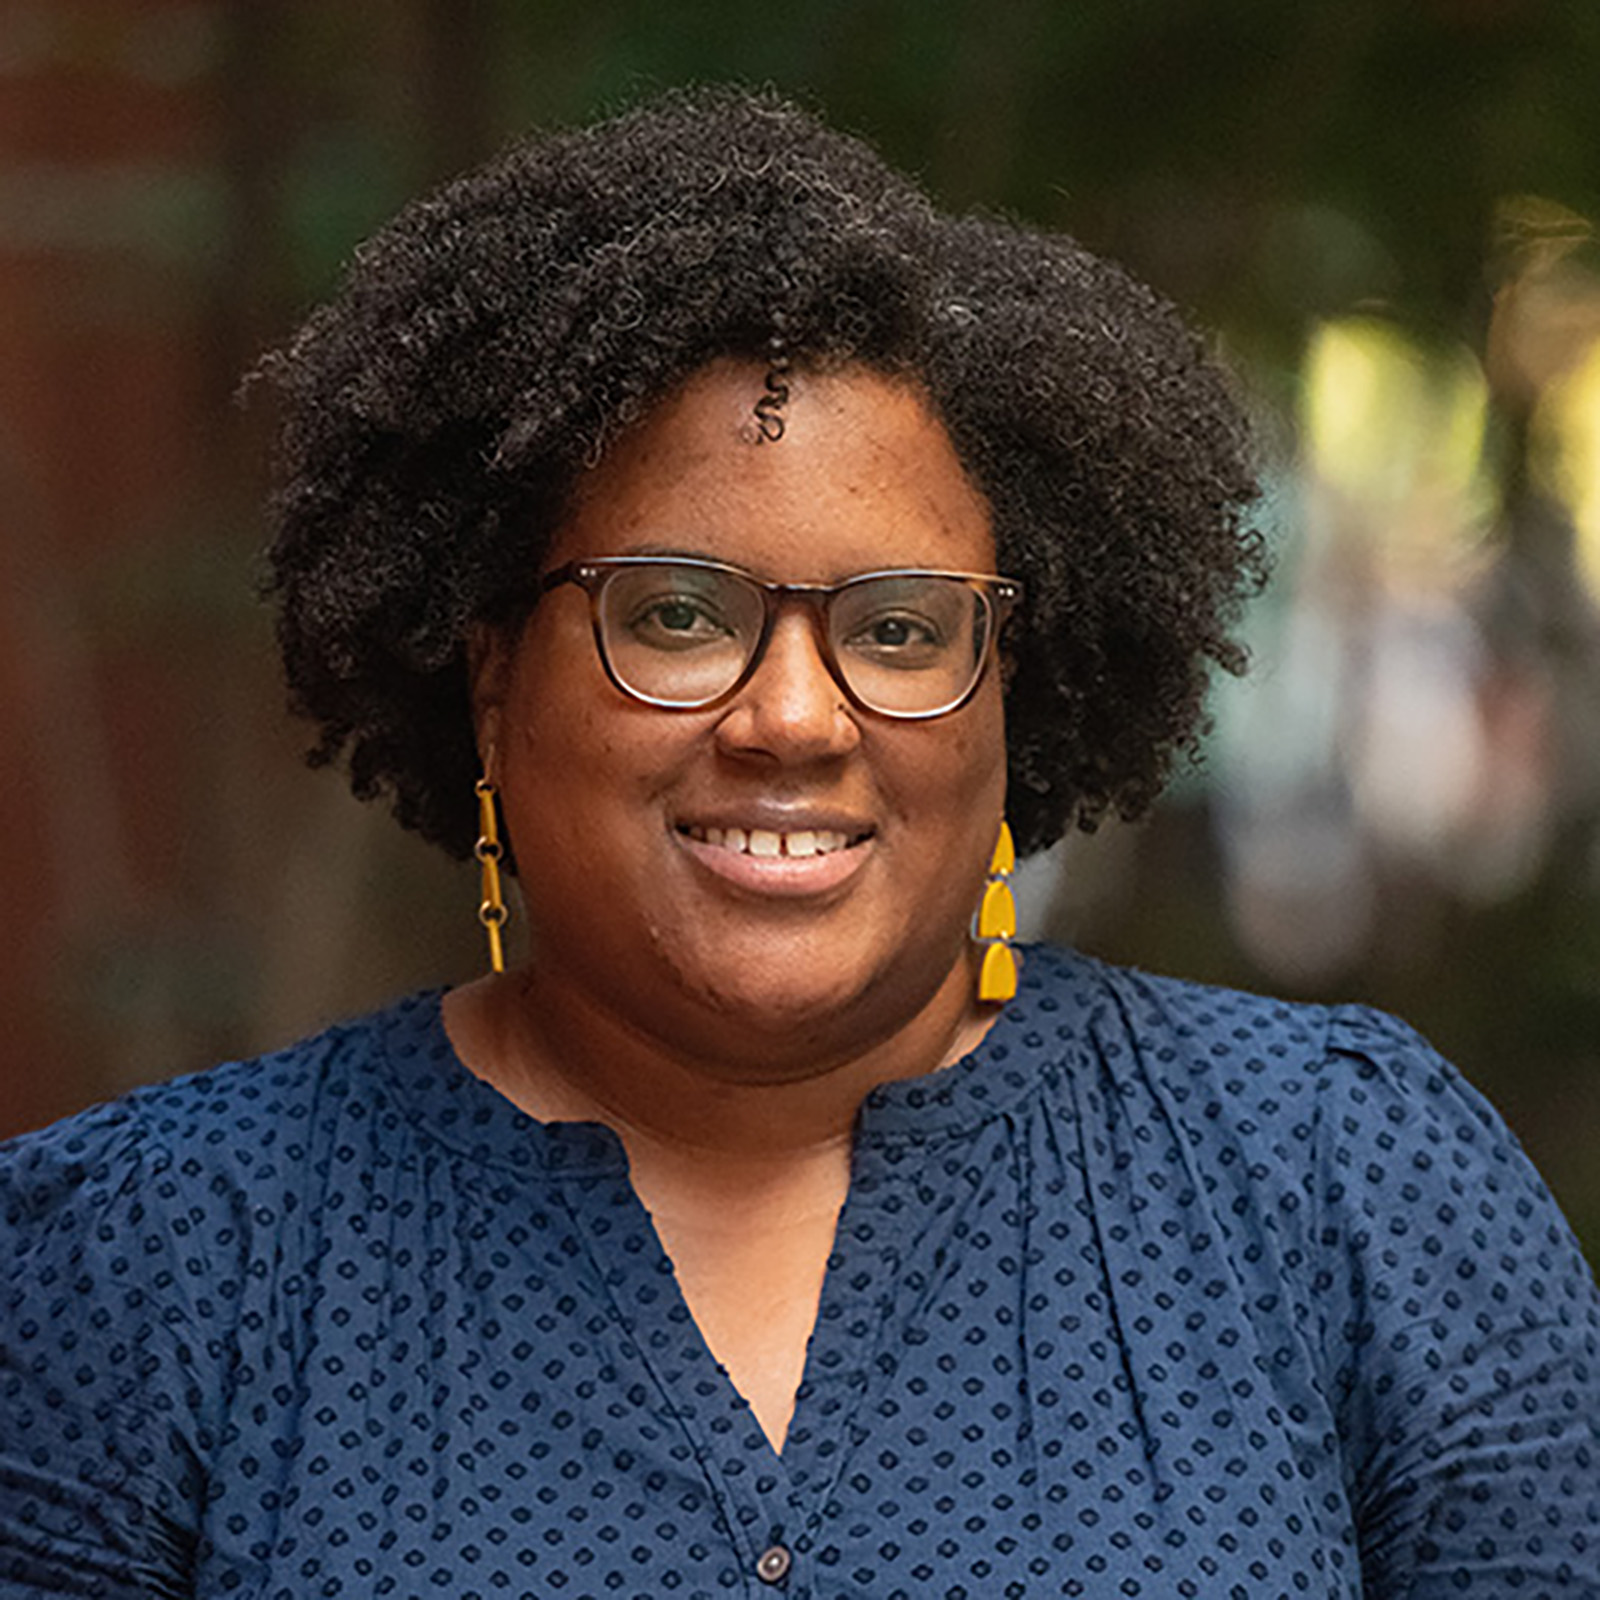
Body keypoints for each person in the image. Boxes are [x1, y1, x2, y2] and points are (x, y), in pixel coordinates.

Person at [2, 86, 1596, 1600]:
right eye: (677, 614)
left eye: (901, 631)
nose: (793, 720)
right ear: (492, 679)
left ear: (1010, 698)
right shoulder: (147, 1267)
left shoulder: (1346, 1189)